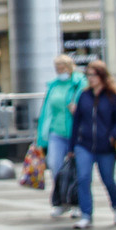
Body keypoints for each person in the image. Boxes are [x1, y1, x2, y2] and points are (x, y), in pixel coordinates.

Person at [68, 60, 116, 230]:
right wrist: (71, 147)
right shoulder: (84, 96)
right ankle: (86, 215)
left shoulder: (112, 96)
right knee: (84, 178)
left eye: (93, 75)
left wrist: (112, 136)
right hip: (84, 144)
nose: (90, 79)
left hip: (105, 146)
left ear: (101, 76)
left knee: (108, 179)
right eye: (88, 75)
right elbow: (76, 122)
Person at [37, 54, 81, 214]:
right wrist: (41, 136)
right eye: (57, 68)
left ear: (69, 68)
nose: (59, 71)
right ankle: (61, 200)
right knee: (55, 164)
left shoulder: (79, 83)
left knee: (75, 169)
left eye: (62, 68)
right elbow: (46, 111)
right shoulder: (53, 86)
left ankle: (76, 202)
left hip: (74, 132)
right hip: (56, 131)